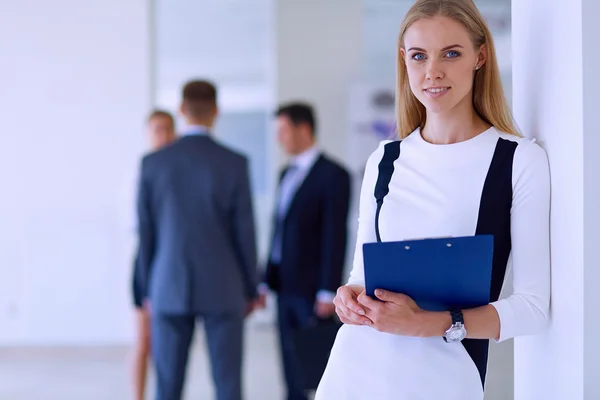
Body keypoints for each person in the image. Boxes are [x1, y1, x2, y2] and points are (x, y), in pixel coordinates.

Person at [315, 0, 550, 399]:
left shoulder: (516, 160)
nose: (432, 72)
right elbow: (361, 274)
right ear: (404, 61)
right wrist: (348, 296)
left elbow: (532, 308)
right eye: (419, 56)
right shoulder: (385, 160)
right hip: (354, 369)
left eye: (451, 54)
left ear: (481, 56)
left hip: (445, 376)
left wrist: (432, 323)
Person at [136, 80, 263, 400]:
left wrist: (144, 288)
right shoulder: (234, 163)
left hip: (167, 283)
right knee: (228, 383)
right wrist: (252, 287)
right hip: (224, 286)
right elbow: (244, 232)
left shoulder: (153, 164)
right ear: (216, 111)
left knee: (167, 385)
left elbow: (146, 232)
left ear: (181, 110)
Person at [262, 103, 351, 400]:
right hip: (284, 285)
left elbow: (334, 235)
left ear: (304, 129)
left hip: (314, 289)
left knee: (319, 367)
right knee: (289, 362)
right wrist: (266, 279)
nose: (279, 139)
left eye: (283, 131)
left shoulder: (334, 174)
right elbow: (279, 232)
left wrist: (328, 290)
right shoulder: (284, 173)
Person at [131, 109, 176, 400]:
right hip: (146, 261)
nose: (161, 134)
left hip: (170, 263)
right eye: (155, 129)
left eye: (166, 129)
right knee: (143, 339)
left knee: (163, 343)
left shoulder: (177, 169)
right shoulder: (142, 169)